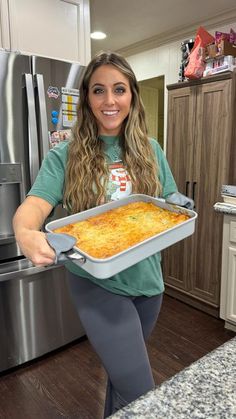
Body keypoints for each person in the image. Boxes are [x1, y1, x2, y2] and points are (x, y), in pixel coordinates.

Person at [13, 51, 188, 418]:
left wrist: (177, 200)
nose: (110, 101)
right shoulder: (64, 155)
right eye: (99, 90)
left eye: (119, 90)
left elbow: (167, 198)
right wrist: (25, 231)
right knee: (141, 393)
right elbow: (34, 206)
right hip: (98, 284)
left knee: (123, 380)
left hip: (149, 281)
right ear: (87, 98)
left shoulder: (150, 150)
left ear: (132, 96)